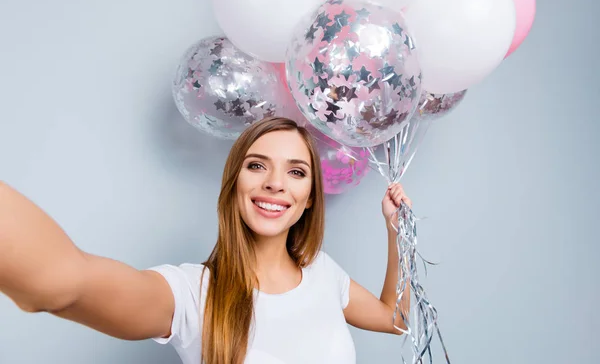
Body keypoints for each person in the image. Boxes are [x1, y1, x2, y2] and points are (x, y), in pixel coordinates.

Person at [0, 116, 412, 364]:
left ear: (309, 201)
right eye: (257, 166)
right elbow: (63, 285)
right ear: (234, 184)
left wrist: (397, 230)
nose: (274, 184)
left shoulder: (323, 272)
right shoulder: (193, 294)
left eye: (296, 172)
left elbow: (395, 318)